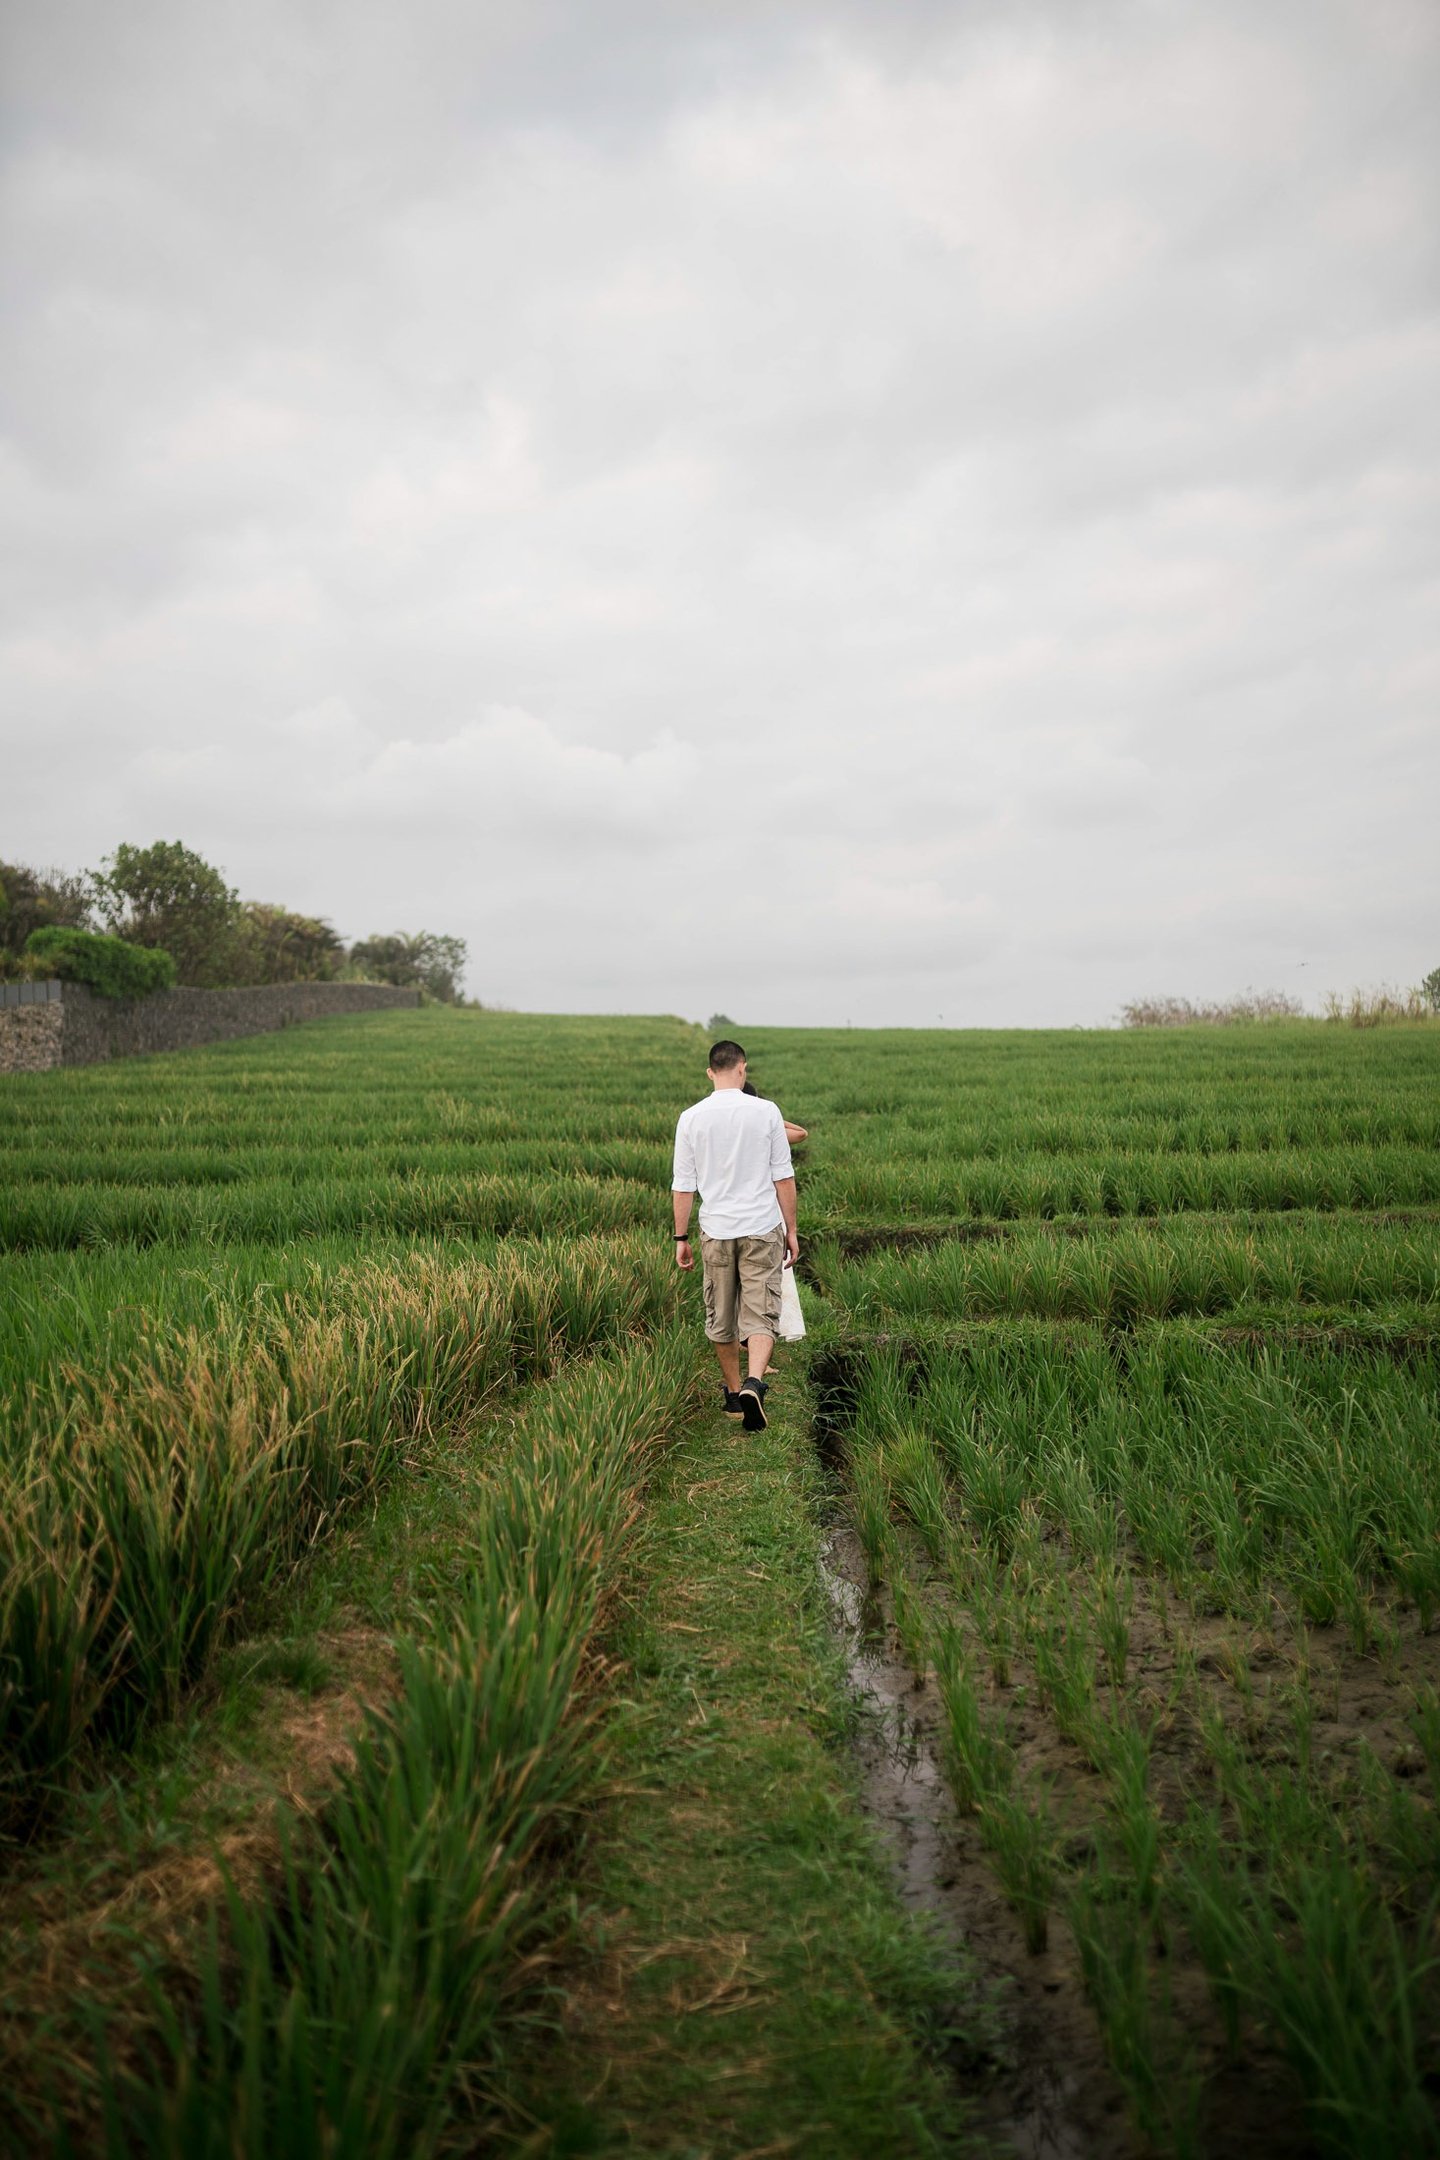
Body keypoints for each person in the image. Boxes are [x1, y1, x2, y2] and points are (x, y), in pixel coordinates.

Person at [673, 1040, 798, 1431]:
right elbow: (783, 1176)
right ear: (742, 1068)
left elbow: (683, 1185)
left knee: (721, 1313)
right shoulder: (766, 1112)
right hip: (762, 1226)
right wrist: (792, 1230)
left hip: (717, 1228)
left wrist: (681, 1237)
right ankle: (754, 1383)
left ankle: (732, 1394)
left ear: (711, 1072)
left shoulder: (690, 1117)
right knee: (761, 1310)